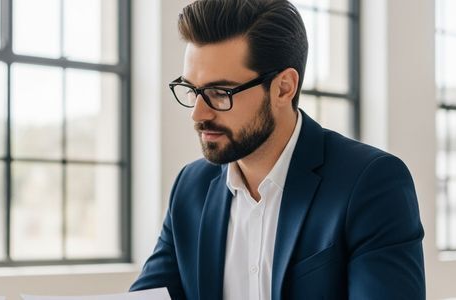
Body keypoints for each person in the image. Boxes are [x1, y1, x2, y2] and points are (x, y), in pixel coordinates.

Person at [130, 0, 425, 299]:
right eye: (192, 90)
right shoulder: (190, 188)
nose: (198, 114)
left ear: (284, 87)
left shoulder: (371, 183)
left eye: (220, 93)